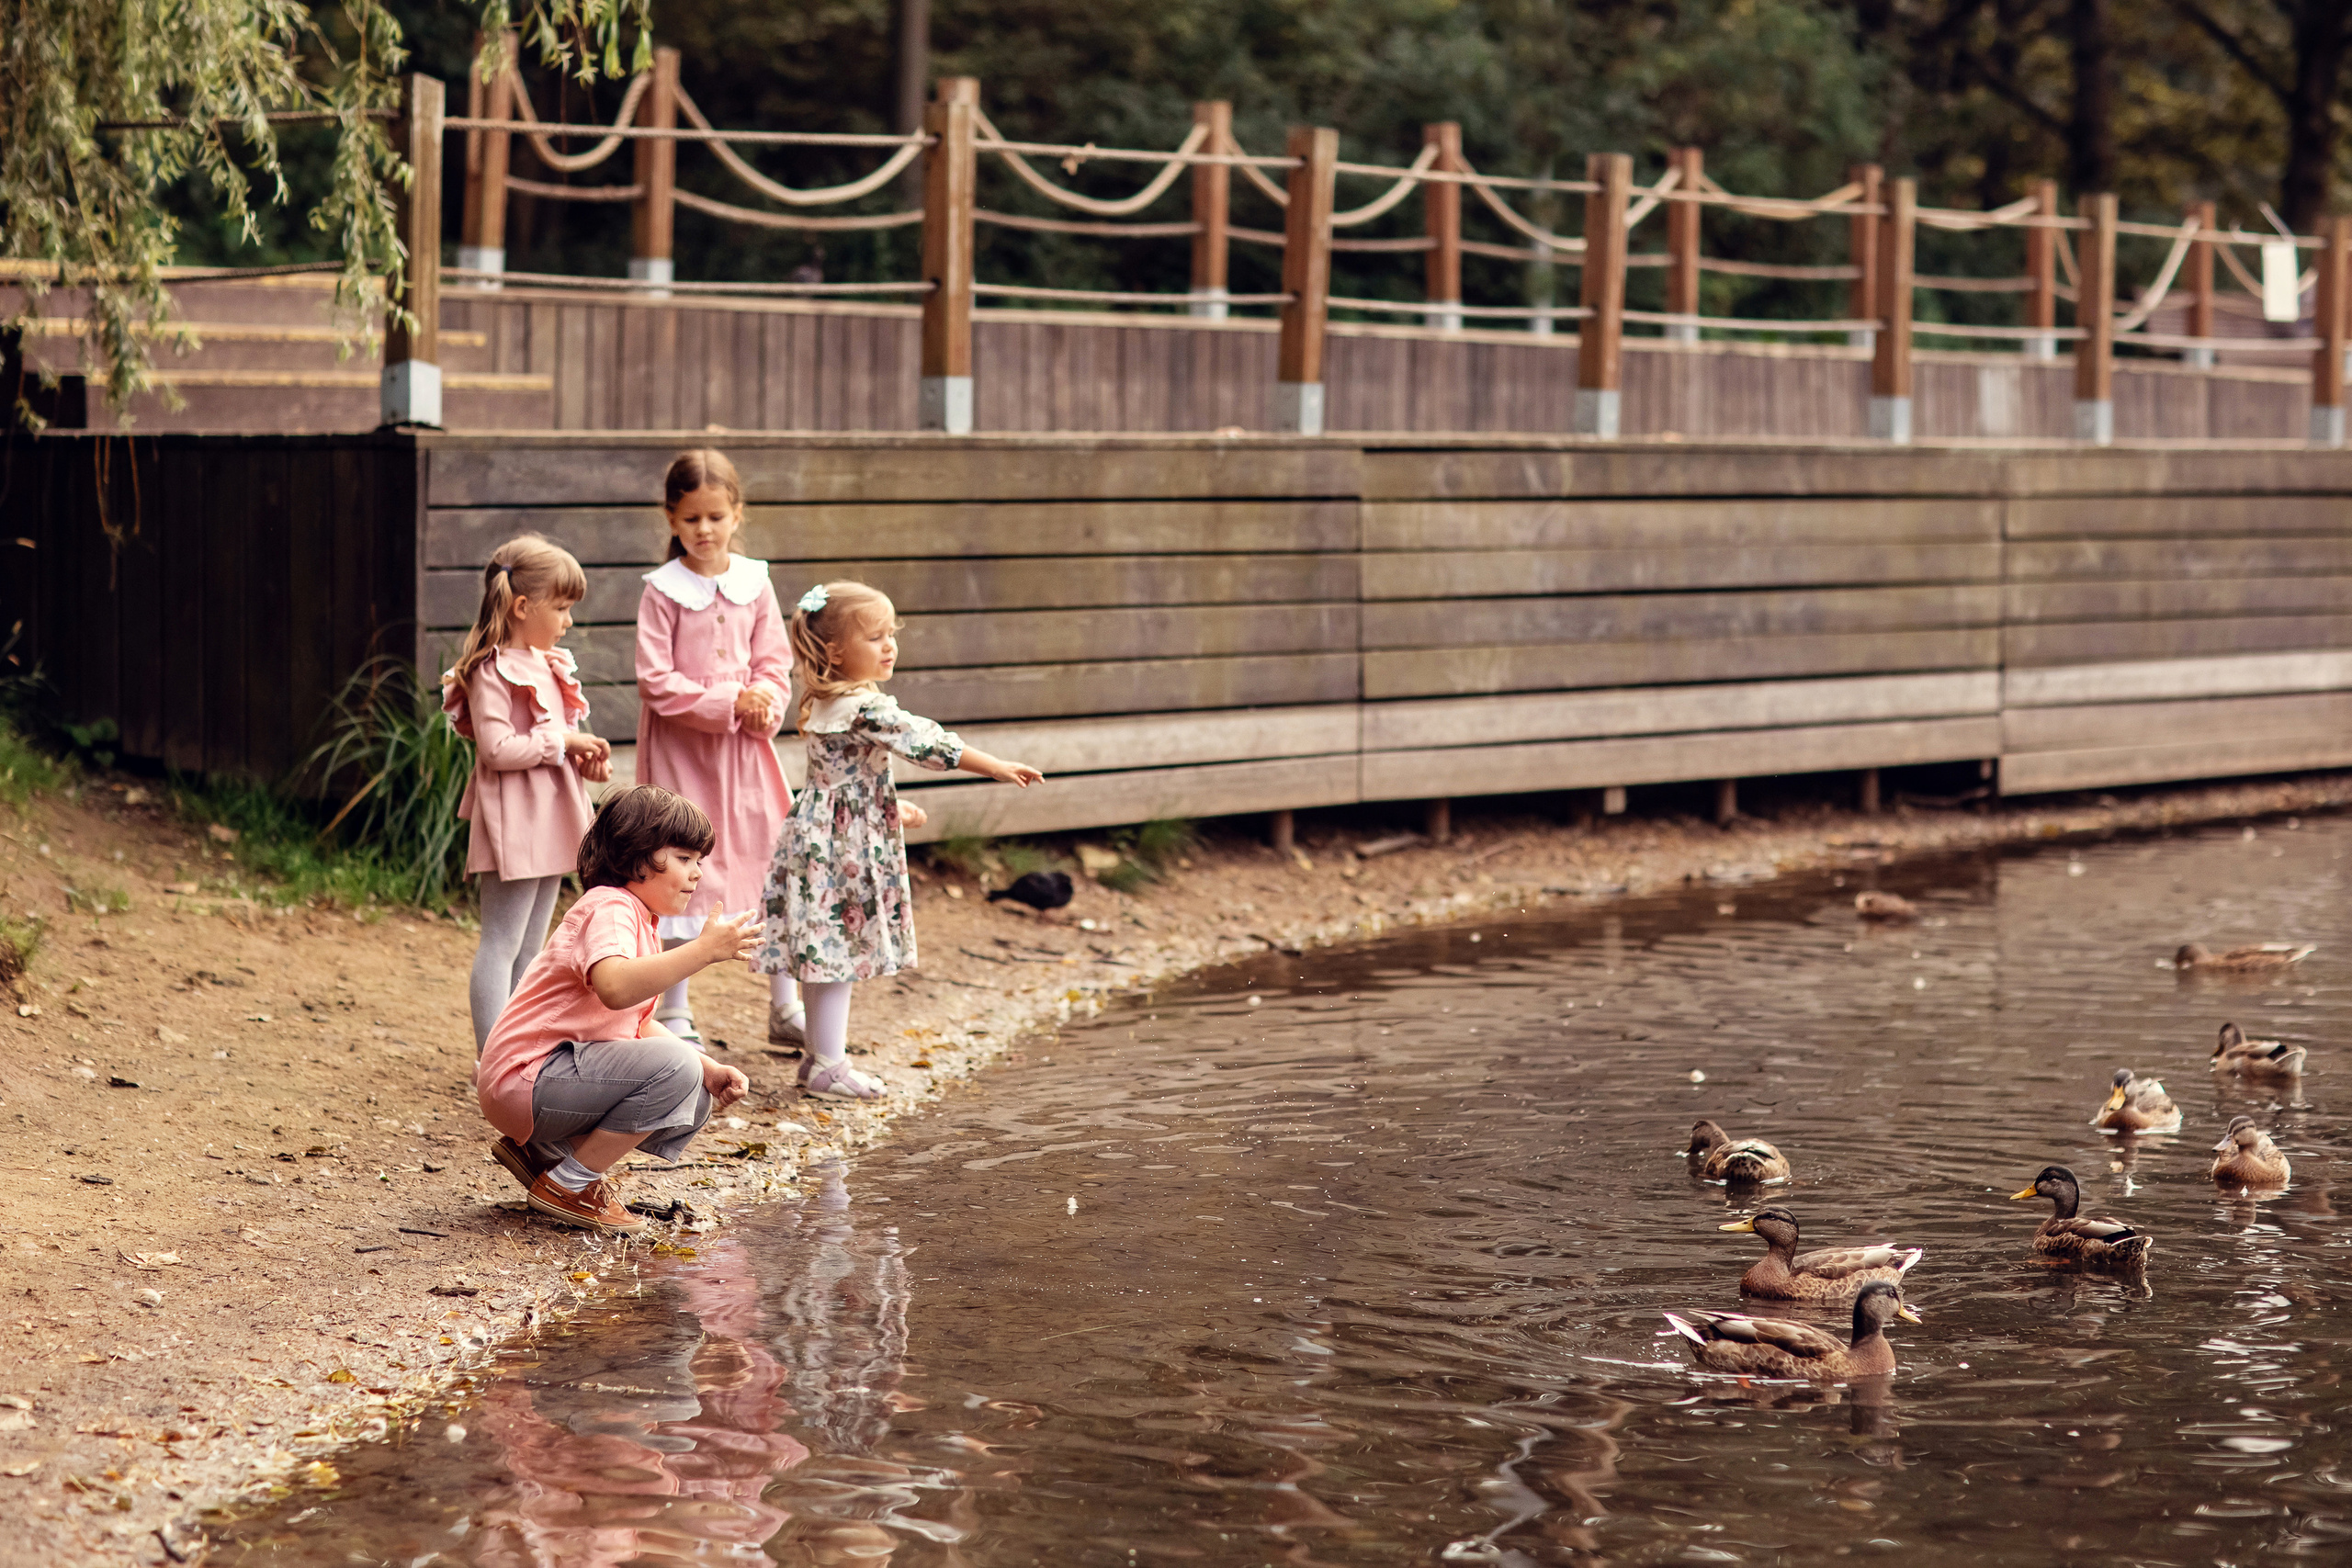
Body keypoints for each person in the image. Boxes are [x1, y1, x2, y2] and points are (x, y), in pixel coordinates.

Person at [753, 581, 1044, 1100]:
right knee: (836, 953)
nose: (890, 646)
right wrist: (993, 766)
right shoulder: (865, 707)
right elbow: (925, 741)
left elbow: (838, 779)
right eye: (875, 637)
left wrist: (888, 805)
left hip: (821, 834)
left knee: (826, 953)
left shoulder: (827, 700)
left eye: (893, 634)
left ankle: (820, 1059)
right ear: (836, 650)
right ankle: (828, 1066)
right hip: (839, 849)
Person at [476, 785, 757, 1235]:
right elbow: (615, 988)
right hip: (526, 1079)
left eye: (699, 861)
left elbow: (637, 1024)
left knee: (696, 1086)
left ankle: (547, 1154)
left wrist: (709, 1066)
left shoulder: (642, 920)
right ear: (636, 857)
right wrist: (702, 952)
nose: (697, 873)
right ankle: (570, 1185)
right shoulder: (610, 908)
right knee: (677, 1069)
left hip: (539, 1087)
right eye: (684, 859)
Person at [635, 449, 802, 1048]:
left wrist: (762, 697)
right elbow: (654, 679)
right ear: (671, 519)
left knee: (766, 856)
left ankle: (785, 1001)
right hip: (684, 753)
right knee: (681, 864)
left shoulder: (754, 582)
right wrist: (727, 702)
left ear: (737, 514)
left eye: (715, 517)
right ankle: (676, 1007)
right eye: (690, 519)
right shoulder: (662, 591)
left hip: (746, 755)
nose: (704, 530)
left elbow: (775, 661)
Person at [442, 535, 612, 1054]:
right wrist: (562, 741)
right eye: (560, 608)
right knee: (501, 941)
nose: (567, 621)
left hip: (553, 812)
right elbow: (496, 749)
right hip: (513, 818)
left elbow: (554, 743)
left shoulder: (551, 663)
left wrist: (581, 755)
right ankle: (492, 1057)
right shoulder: (491, 670)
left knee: (532, 945)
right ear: (521, 606)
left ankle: (519, 1048)